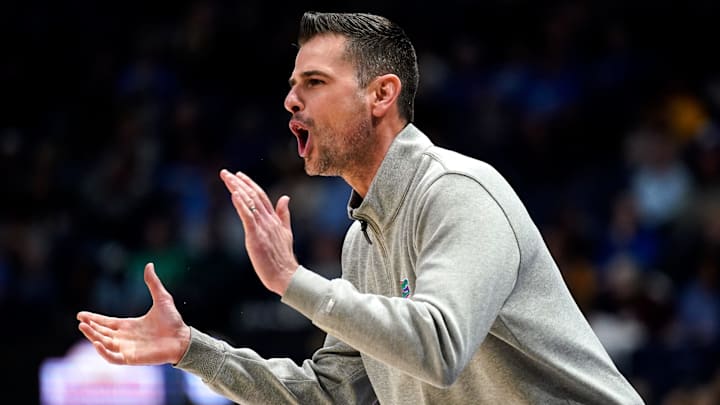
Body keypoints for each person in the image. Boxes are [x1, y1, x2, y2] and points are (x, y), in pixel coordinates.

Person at [77, 11, 645, 404]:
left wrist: (293, 281)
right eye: (293, 84)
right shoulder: (363, 239)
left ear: (381, 94)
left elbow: (438, 345)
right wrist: (193, 351)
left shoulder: (458, 192)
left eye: (315, 82)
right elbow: (334, 394)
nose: (291, 100)